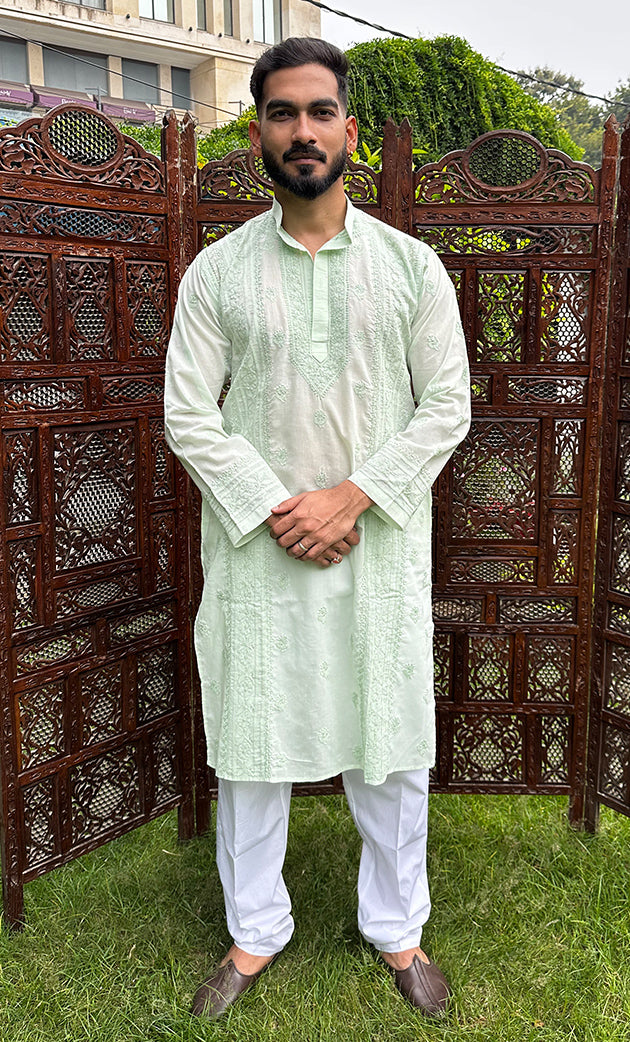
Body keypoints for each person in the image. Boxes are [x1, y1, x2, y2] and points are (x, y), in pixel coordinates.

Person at [164, 36, 470, 1020]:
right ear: (258, 132)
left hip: (376, 546)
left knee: (390, 741)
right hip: (260, 553)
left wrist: (354, 496)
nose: (303, 130)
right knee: (252, 742)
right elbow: (187, 415)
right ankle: (254, 931)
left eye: (320, 111)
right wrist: (277, 507)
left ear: (350, 131)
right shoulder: (217, 273)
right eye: (283, 112)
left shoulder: (411, 267)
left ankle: (399, 929)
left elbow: (447, 405)